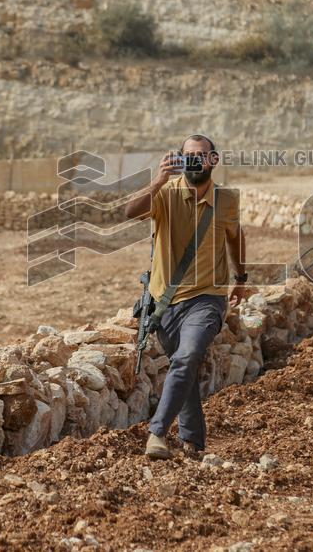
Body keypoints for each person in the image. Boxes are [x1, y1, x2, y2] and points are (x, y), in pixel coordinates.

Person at [124, 134, 248, 459]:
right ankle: (193, 441)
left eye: (200, 156)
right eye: (188, 156)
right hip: (165, 303)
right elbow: (129, 212)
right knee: (185, 365)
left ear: (213, 160)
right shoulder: (164, 194)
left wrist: (242, 278)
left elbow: (236, 237)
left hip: (207, 298)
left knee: (188, 354)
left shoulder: (227, 200)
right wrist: (158, 179)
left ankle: (157, 433)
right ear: (180, 159)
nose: (195, 161)